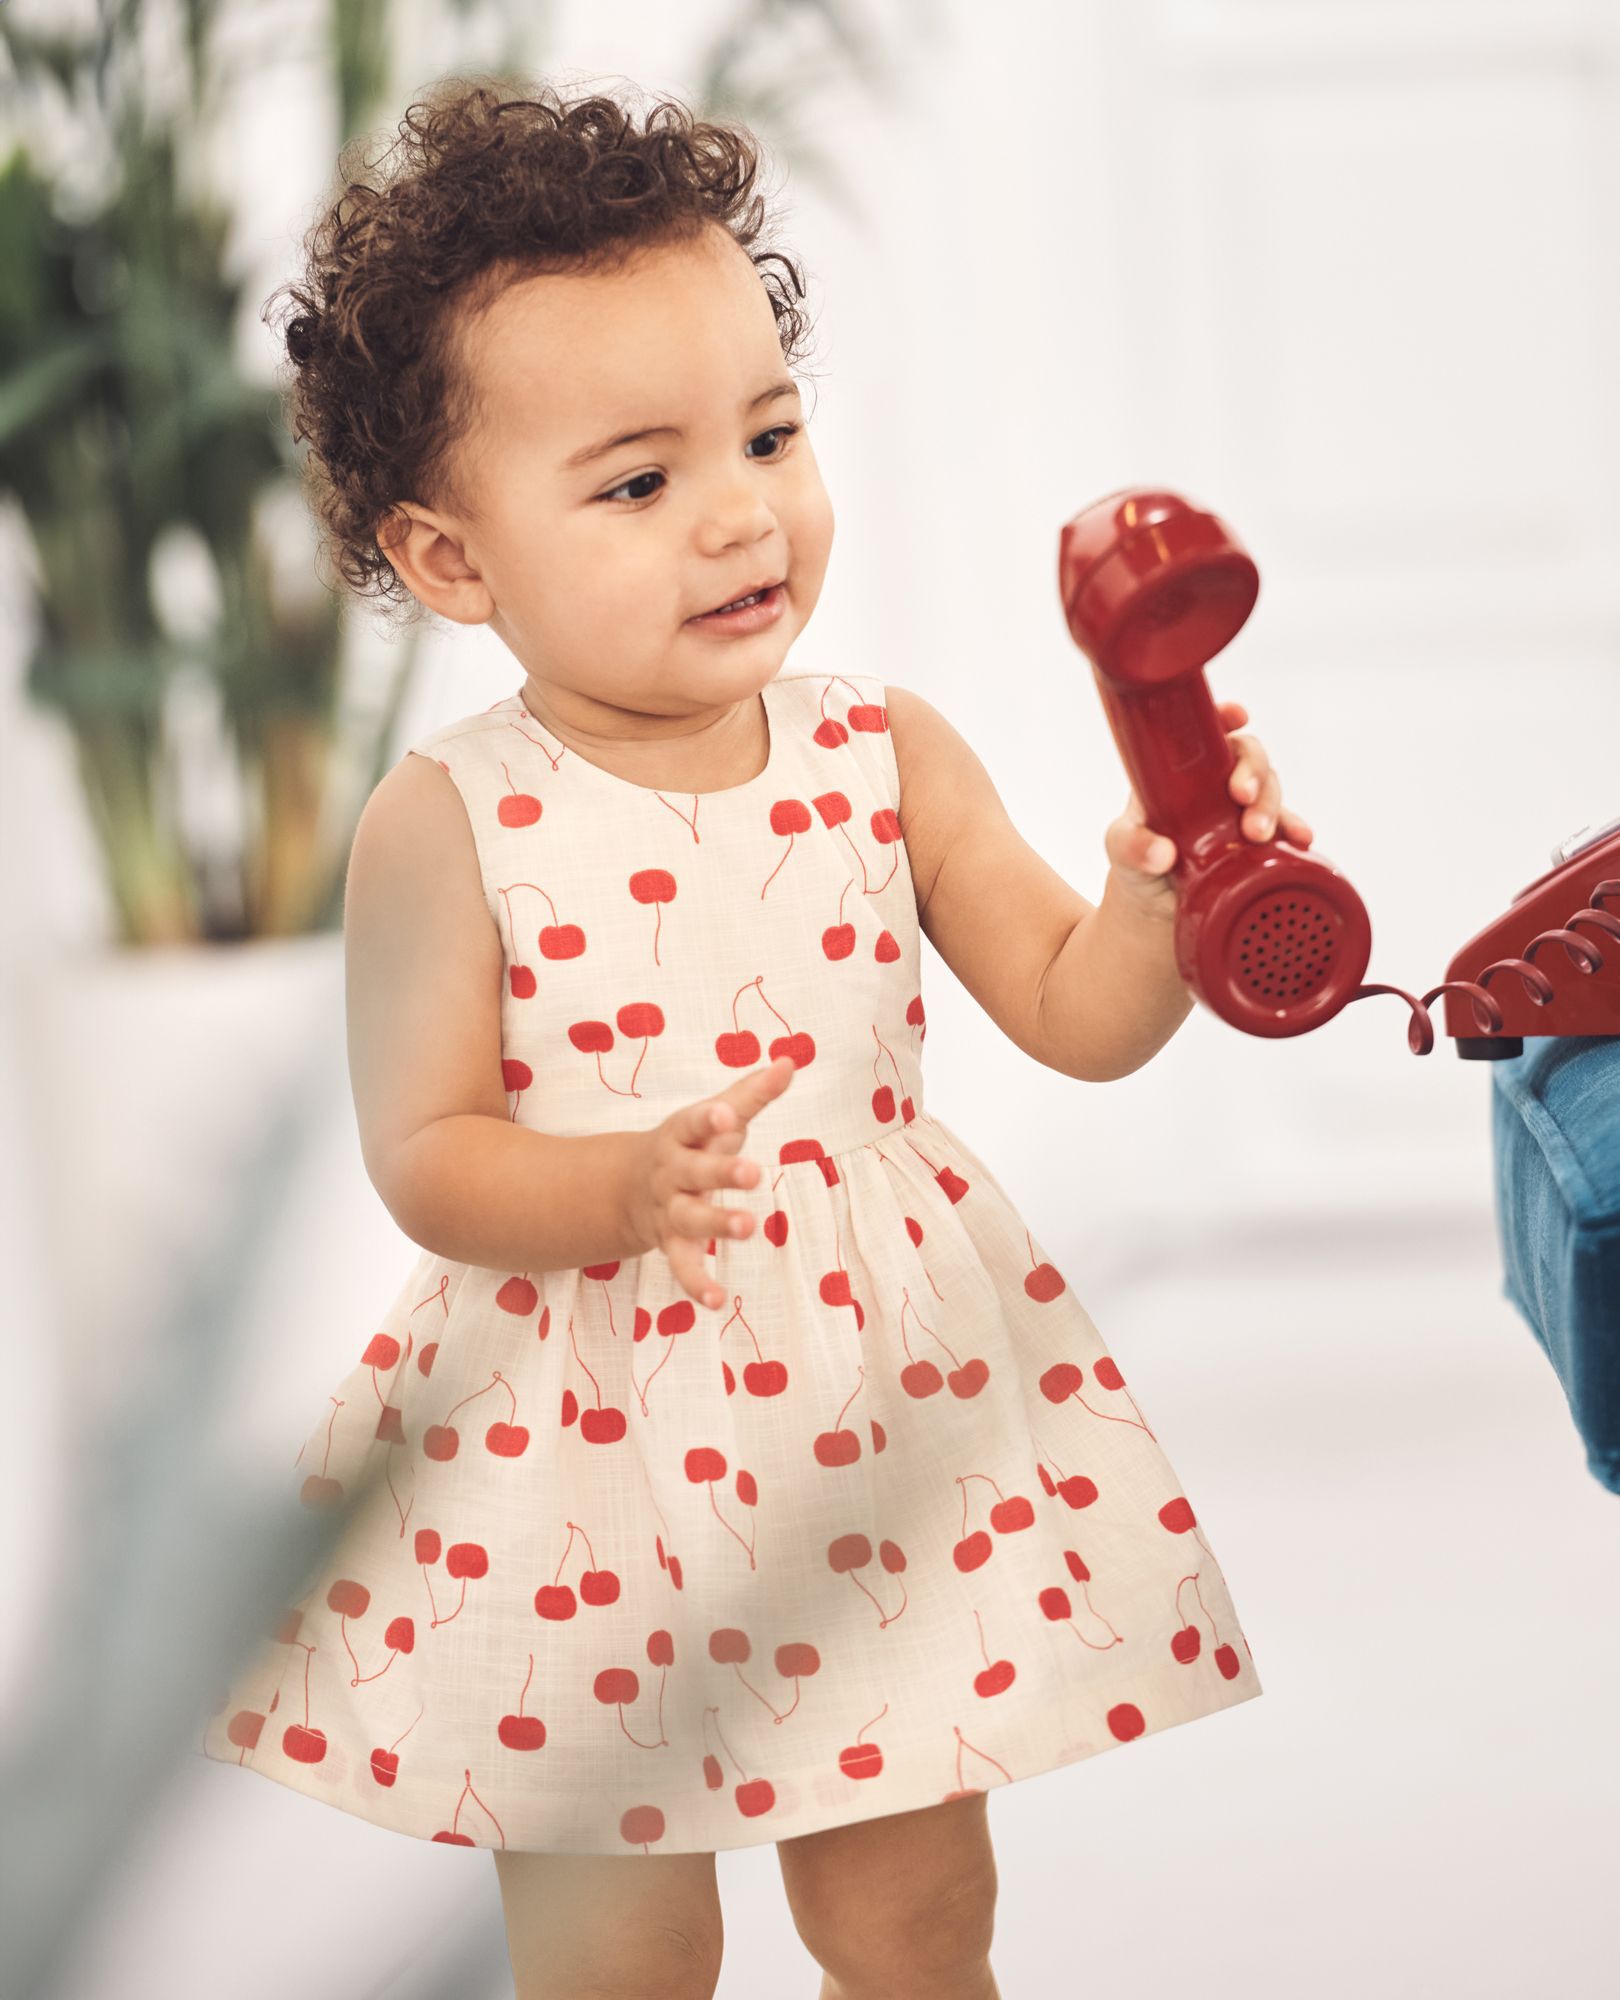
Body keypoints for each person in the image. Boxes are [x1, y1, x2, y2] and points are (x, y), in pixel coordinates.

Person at [201, 76, 1312, 2000]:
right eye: (638, 483)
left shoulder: (887, 753)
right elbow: (429, 1154)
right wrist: (618, 1188)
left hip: (864, 1419)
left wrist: (1162, 896)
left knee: (911, 1915)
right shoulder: (447, 820)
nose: (740, 513)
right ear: (453, 560)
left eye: (771, 435)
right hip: (576, 1447)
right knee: (619, 1946)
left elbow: (1077, 1014)